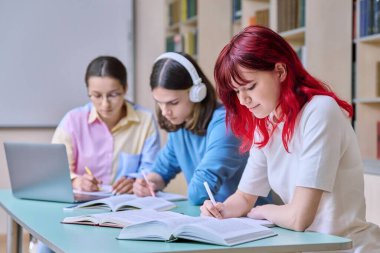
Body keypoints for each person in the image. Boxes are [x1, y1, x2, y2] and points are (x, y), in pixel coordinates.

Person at [200, 25, 380, 252]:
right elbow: (245, 197)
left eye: (250, 87)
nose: (243, 100)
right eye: (236, 91)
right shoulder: (266, 123)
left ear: (281, 72)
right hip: (307, 247)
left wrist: (262, 211)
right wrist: (221, 209)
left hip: (349, 248)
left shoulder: (320, 111)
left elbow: (299, 217)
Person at [133, 52, 269, 205]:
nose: (165, 112)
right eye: (159, 102)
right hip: (214, 218)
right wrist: (148, 183)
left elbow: (199, 192)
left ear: (196, 93)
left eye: (173, 102)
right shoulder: (181, 125)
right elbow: (161, 170)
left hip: (250, 221)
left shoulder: (227, 124)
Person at [52, 56, 160, 194]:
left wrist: (136, 182)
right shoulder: (72, 121)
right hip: (81, 204)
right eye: (96, 96)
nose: (105, 104)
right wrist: (76, 181)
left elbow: (152, 168)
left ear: (125, 88)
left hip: (129, 205)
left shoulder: (145, 120)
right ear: (88, 92)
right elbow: (56, 172)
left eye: (113, 95)